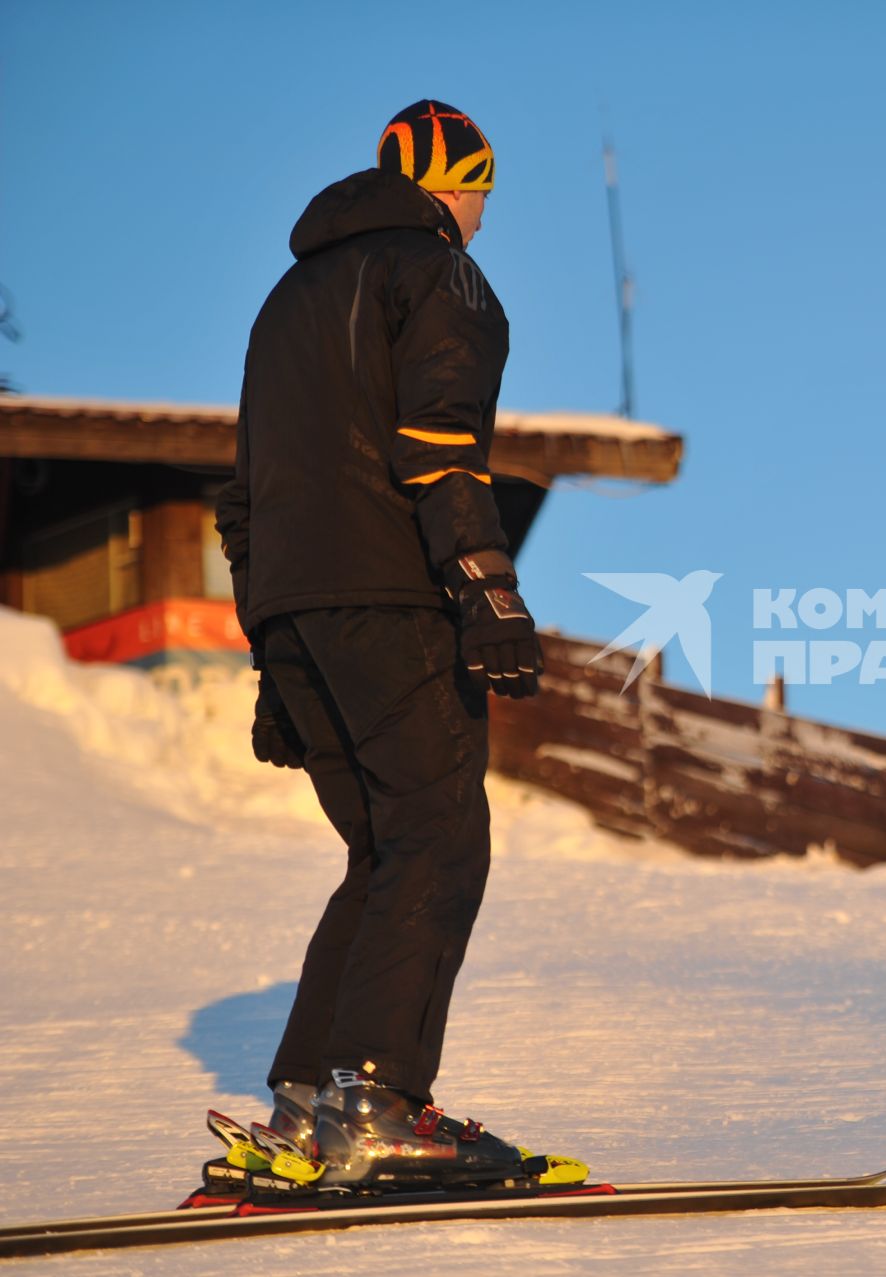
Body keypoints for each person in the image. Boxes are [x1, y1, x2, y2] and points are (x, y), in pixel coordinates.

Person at [216, 99, 549, 1188]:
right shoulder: (440, 277)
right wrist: (485, 588)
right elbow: (439, 444)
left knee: (382, 847)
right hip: (391, 601)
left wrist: (272, 643)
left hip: (298, 611)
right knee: (441, 836)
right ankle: (375, 1102)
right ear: (453, 185)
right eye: (481, 193)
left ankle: (314, 1098)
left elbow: (246, 492)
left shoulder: (285, 300)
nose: (484, 216)